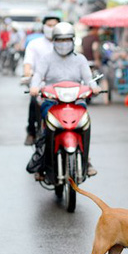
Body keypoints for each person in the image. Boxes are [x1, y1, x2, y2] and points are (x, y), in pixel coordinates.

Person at [28, 22, 100, 181]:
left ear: (73, 40)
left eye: (67, 39)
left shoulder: (80, 59)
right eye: (60, 40)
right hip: (52, 101)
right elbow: (38, 75)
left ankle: (86, 160)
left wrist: (94, 87)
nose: (63, 43)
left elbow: (89, 79)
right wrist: (34, 87)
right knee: (47, 128)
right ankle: (42, 162)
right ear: (53, 40)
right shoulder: (46, 59)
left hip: (76, 101)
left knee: (85, 124)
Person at [21, 15, 61, 146]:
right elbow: (28, 63)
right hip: (41, 85)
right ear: (43, 27)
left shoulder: (64, 44)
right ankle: (31, 132)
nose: (52, 28)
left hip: (63, 86)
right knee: (34, 102)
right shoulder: (35, 44)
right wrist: (28, 73)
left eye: (55, 25)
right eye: (49, 25)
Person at [81, 27, 110, 104]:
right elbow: (95, 48)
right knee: (104, 78)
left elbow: (81, 50)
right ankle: (106, 99)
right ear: (94, 30)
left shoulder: (84, 38)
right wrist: (97, 60)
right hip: (93, 62)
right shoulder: (95, 38)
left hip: (86, 62)